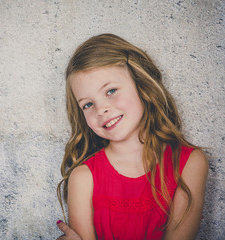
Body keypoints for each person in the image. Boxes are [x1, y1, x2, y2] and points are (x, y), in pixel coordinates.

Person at [56, 33, 208, 240]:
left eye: (110, 91)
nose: (101, 109)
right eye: (88, 104)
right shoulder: (83, 179)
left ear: (141, 85)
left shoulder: (190, 163)